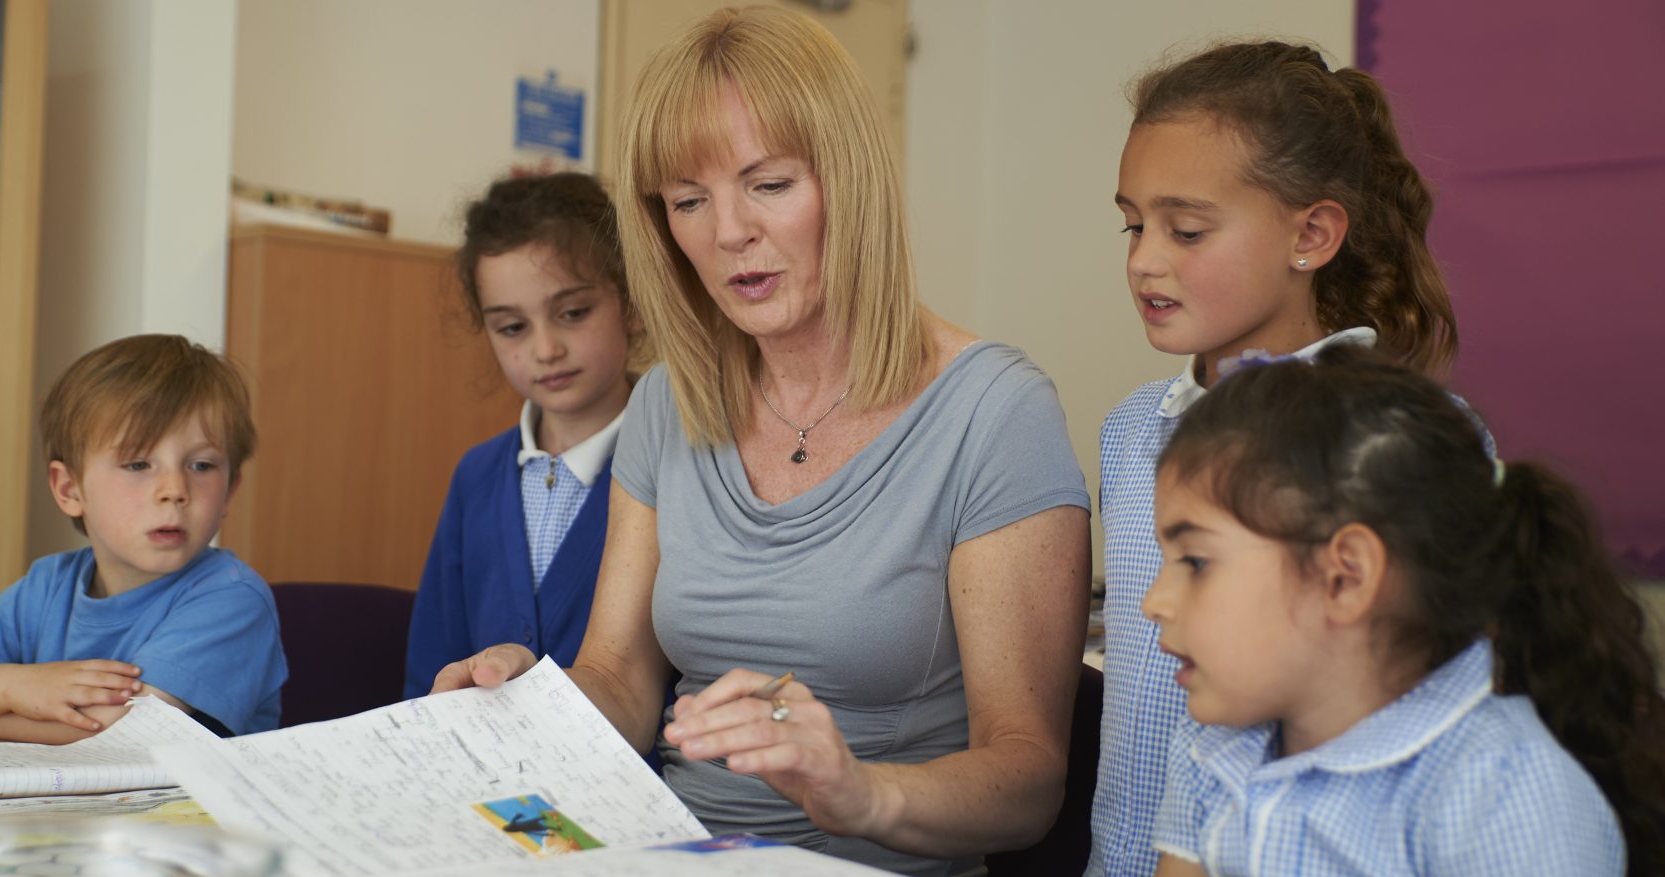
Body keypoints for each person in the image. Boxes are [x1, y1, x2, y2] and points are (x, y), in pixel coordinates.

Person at [432, 8, 1092, 876]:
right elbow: (622, 678)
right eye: (689, 201)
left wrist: (860, 790)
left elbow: (1028, 780)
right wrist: (528, 703)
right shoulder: (670, 400)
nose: (727, 232)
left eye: (767, 184)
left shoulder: (997, 411)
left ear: (847, 179)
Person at [1092, 41, 1467, 876]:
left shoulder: (1410, 448)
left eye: (1186, 228)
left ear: (1312, 233)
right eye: (1133, 223)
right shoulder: (1129, 432)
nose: (1144, 259)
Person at [1142, 345, 1665, 876]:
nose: (1153, 603)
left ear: (1346, 577)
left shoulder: (1503, 793)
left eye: (1196, 562)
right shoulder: (1221, 742)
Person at [0, 334, 287, 741]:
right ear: (70, 490)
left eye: (201, 465)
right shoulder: (48, 585)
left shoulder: (232, 597)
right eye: (138, 463)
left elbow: (123, 731)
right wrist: (20, 686)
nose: (174, 489)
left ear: (229, 491)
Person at [404, 172, 645, 701]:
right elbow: (431, 667)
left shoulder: (679, 467)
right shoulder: (477, 476)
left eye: (573, 313)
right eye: (513, 327)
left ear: (630, 303)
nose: (545, 349)